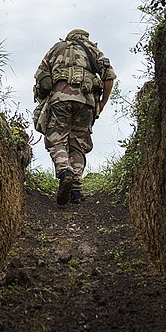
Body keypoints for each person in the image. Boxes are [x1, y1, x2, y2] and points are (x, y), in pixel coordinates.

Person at [33, 29, 115, 205]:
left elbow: (41, 77)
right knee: (78, 142)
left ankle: (65, 172)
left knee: (57, 140)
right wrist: (102, 103)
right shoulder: (93, 50)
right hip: (86, 102)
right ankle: (76, 190)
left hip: (60, 100)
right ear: (86, 38)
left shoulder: (57, 48)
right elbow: (109, 76)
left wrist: (43, 97)